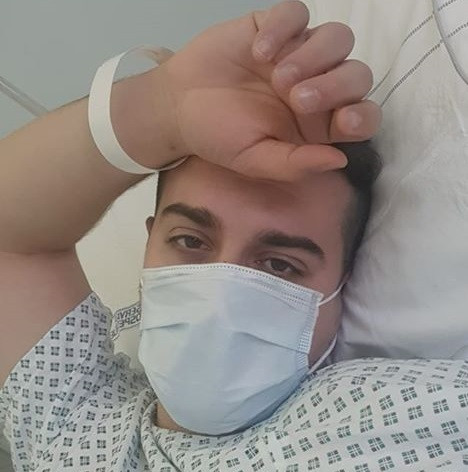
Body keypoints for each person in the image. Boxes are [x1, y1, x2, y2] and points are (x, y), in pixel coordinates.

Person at [1, 2, 467, 471]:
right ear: (148, 246)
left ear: (341, 289)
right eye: (190, 241)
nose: (218, 297)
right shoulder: (79, 432)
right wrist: (161, 107)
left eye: (279, 265)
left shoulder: (397, 419)